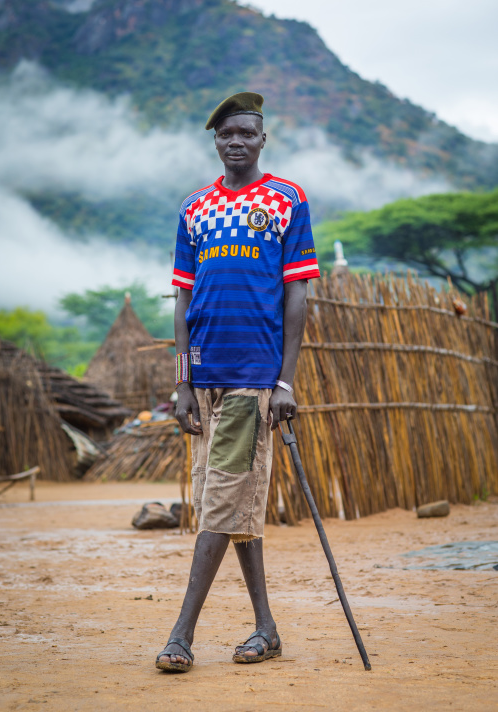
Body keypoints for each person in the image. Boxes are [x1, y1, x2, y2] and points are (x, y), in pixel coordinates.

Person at [156, 92, 320, 672]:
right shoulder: (195, 207)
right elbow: (181, 300)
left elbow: (297, 294)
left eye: (247, 133)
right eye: (227, 134)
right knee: (229, 504)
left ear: (261, 140)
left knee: (221, 505)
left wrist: (285, 381)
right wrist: (181, 383)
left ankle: (181, 634)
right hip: (203, 382)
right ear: (216, 140)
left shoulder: (285, 200)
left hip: (254, 380)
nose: (237, 142)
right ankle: (267, 630)